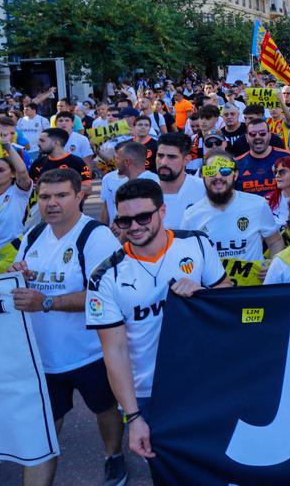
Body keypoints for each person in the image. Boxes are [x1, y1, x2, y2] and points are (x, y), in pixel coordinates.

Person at [87, 178, 230, 461]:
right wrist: (133, 416)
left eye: (143, 217)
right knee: (168, 468)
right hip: (150, 392)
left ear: (162, 211)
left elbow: (227, 295)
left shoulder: (197, 244)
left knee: (216, 461)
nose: (135, 226)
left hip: (204, 378)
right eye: (125, 220)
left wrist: (203, 294)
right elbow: (114, 352)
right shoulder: (104, 276)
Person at [9, 169, 126, 486]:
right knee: (44, 431)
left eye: (61, 195)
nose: (51, 203)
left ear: (79, 196)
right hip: (43, 357)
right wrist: (17, 275)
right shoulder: (33, 235)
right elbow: (21, 287)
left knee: (105, 410)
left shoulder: (96, 236)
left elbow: (106, 294)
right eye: (45, 196)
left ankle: (114, 456)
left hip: (90, 353)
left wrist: (46, 302)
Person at [183, 154, 284, 279]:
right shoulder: (191, 215)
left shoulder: (258, 205)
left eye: (225, 171)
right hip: (213, 293)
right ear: (203, 175)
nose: (218, 177)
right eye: (211, 171)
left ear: (235, 175)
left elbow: (275, 241)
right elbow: (186, 257)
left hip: (252, 291)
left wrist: (274, 263)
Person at [153, 131, 206, 229]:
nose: (163, 162)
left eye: (172, 157)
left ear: (186, 160)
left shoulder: (203, 189)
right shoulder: (144, 191)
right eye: (160, 156)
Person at [99, 140, 159, 225]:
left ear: (127, 162)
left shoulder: (154, 183)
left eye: (118, 158)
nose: (116, 162)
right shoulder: (124, 184)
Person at [234, 118, 289, 200]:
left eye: (262, 133)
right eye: (252, 134)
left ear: (269, 135)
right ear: (246, 137)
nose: (258, 137)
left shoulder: (287, 157)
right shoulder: (237, 164)